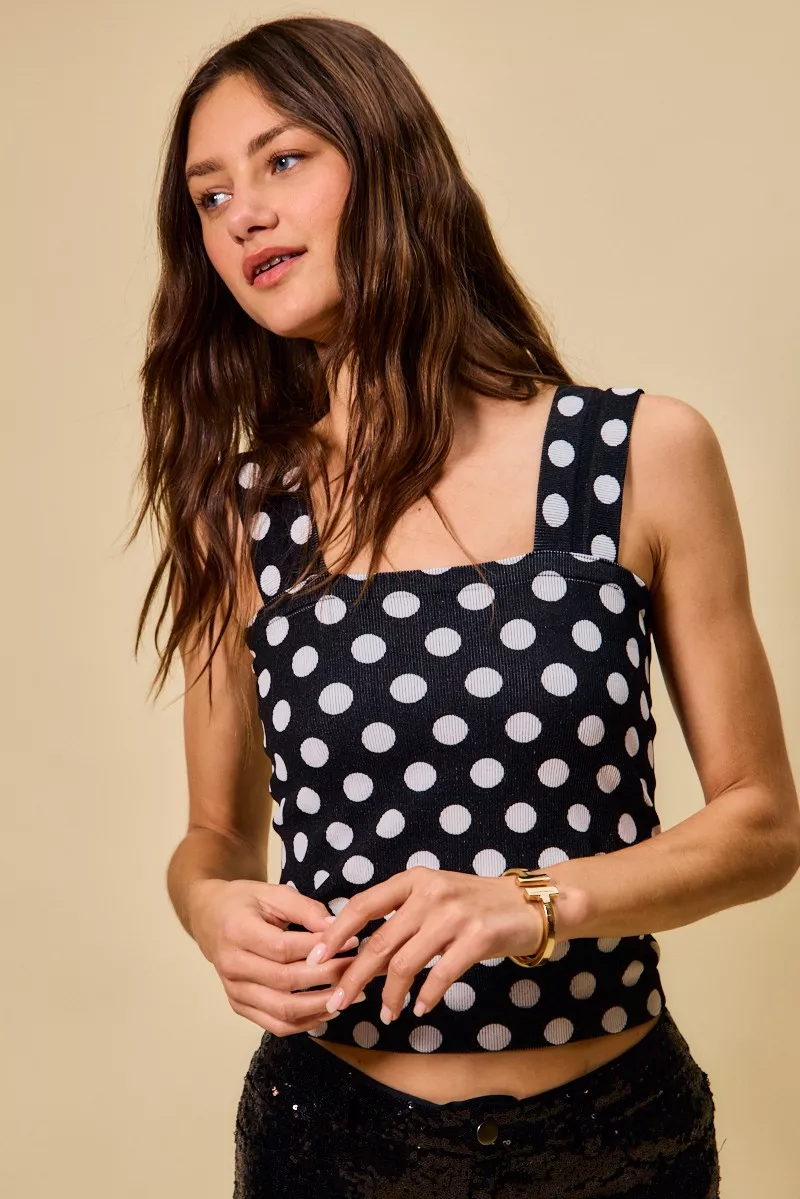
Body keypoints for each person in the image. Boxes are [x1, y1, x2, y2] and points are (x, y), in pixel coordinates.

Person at [131, 15, 800, 1199]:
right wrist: (209, 907)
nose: (242, 215)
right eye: (209, 194)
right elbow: (215, 834)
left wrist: (530, 902)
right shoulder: (238, 513)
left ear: (389, 163)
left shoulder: (640, 454)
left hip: (614, 1144)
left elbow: (761, 824)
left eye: (283, 160)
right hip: (324, 1142)